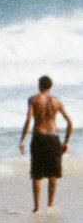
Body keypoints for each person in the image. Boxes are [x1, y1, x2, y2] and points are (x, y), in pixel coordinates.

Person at [24, 75, 72, 212]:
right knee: (53, 173)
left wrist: (22, 140)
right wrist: (66, 142)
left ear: (39, 85)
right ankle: (50, 206)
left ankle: (37, 207)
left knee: (36, 174)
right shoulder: (57, 101)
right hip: (53, 138)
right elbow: (70, 123)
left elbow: (28, 121)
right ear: (50, 86)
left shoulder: (33, 100)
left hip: (39, 137)